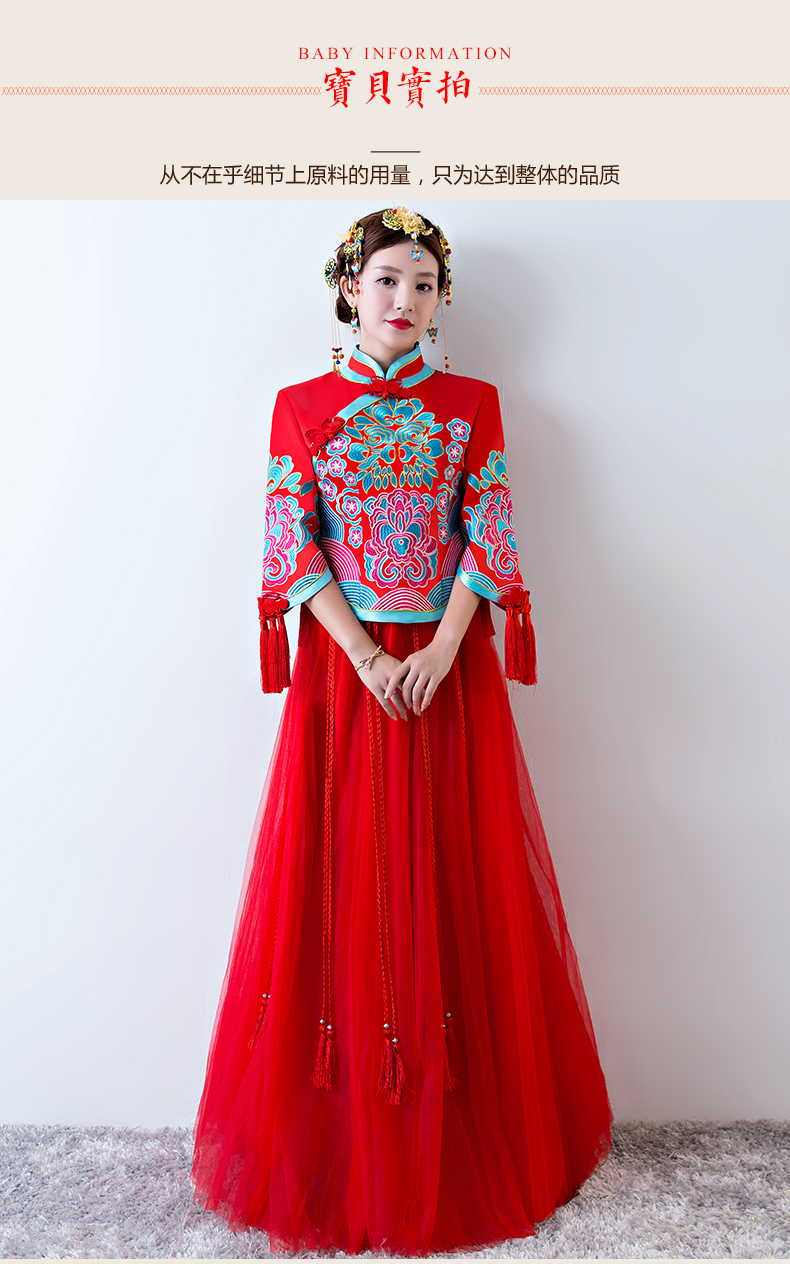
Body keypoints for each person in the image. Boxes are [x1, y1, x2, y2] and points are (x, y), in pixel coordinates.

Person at [190, 207, 612, 1255]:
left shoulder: (474, 405)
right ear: (349, 289)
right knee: (344, 878)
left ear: (440, 299)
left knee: (453, 872)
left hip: (445, 672)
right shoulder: (301, 407)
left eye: (423, 283)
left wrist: (440, 647)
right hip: (348, 678)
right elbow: (293, 549)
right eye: (386, 279)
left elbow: (489, 536)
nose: (405, 299)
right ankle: (344, 1132)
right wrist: (369, 657)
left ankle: (456, 1116)